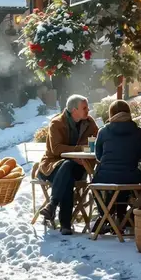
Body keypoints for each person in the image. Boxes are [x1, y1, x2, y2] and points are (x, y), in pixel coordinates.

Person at [33, 95, 99, 235]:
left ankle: (52, 205)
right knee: (67, 171)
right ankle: (65, 224)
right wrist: (78, 151)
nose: (88, 110)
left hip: (78, 167)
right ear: (74, 110)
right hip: (52, 167)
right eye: (85, 108)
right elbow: (56, 149)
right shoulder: (56, 123)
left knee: (68, 170)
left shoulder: (89, 122)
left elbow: (97, 143)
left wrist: (80, 157)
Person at [92, 99, 141, 225]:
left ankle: (106, 215)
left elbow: (98, 156)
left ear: (111, 114)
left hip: (105, 176)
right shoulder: (138, 132)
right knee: (127, 183)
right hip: (131, 176)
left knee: (94, 184)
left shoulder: (103, 131)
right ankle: (121, 216)